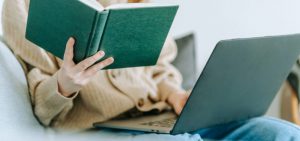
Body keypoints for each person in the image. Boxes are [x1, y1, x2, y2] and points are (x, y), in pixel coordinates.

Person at [2, 0, 300, 140]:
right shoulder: (24, 8)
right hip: (107, 125)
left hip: (160, 116)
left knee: (280, 133)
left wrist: (175, 95)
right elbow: (41, 104)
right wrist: (64, 83)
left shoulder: (128, 5)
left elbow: (161, 70)